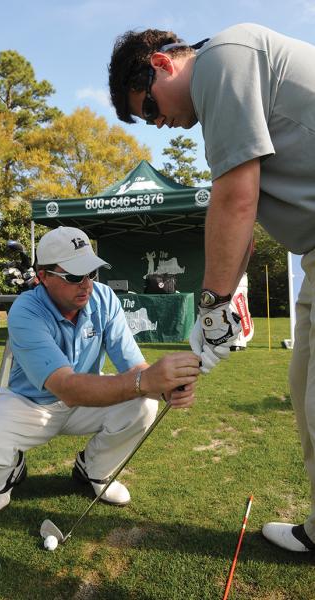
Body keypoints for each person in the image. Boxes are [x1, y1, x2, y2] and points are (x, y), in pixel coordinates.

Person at [108, 23, 315, 552]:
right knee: (302, 389)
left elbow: (235, 197)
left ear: (160, 63)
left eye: (148, 109)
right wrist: (215, 318)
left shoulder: (225, 58)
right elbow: (240, 225)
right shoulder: (224, 92)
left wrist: (214, 305)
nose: (157, 125)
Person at [0, 226, 200, 516]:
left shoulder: (104, 298)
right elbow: (66, 387)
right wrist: (146, 380)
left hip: (86, 400)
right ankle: (5, 477)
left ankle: (95, 469)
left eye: (92, 273)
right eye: (74, 276)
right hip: (29, 405)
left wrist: (163, 387)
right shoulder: (25, 310)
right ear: (43, 277)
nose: (86, 284)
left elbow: (134, 366)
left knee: (145, 403)